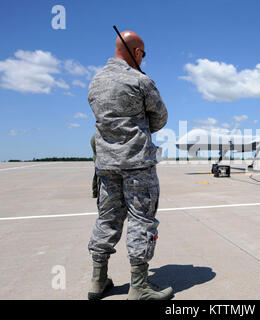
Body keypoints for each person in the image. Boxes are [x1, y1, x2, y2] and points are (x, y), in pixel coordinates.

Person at [87, 30, 172, 300]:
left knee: (107, 219)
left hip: (106, 165)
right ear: (137, 53)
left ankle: (97, 282)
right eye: (143, 54)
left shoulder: (95, 81)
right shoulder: (140, 81)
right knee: (141, 220)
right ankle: (139, 286)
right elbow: (160, 118)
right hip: (137, 164)